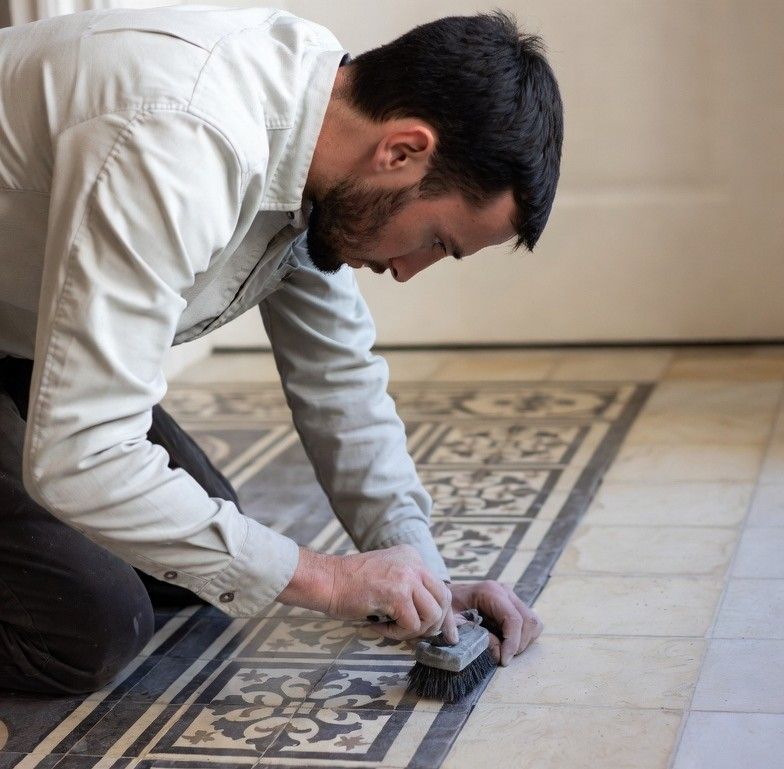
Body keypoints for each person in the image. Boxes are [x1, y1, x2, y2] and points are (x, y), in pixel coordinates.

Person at [0, 5, 563, 695]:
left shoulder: (324, 124)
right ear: (402, 151)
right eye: (437, 240)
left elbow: (338, 377)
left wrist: (424, 575)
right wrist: (325, 580)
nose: (412, 269)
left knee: (195, 554)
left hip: (20, 327)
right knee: (91, 622)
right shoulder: (183, 136)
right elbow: (82, 458)